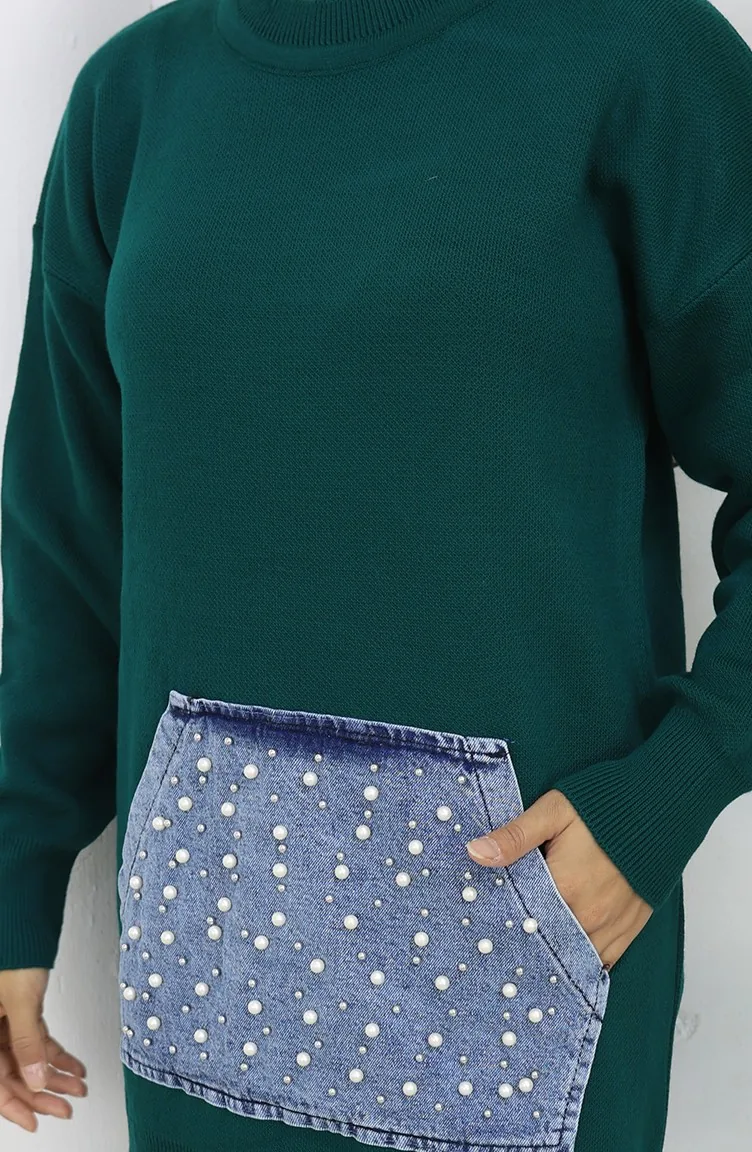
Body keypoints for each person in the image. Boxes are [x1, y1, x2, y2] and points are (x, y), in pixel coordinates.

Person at [1, 0, 751, 1149]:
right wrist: (13, 870)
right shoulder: (133, 100)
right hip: (210, 973)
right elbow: (67, 542)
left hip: (527, 925)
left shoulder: (638, 59)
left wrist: (670, 790)